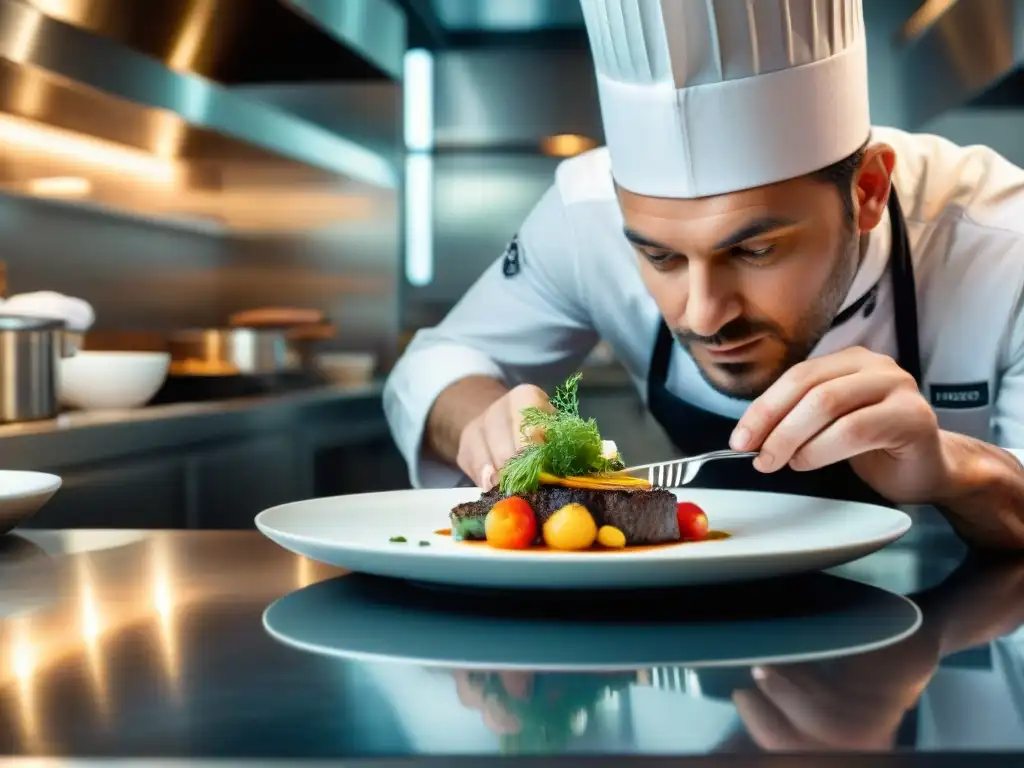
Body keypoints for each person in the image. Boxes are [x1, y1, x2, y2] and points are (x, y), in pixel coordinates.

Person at [384, 0, 1024, 549]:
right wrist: (484, 423)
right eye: (660, 258)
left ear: (868, 191)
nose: (702, 314)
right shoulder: (584, 216)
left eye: (755, 251)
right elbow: (437, 363)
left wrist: (955, 468)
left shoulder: (1002, 243)